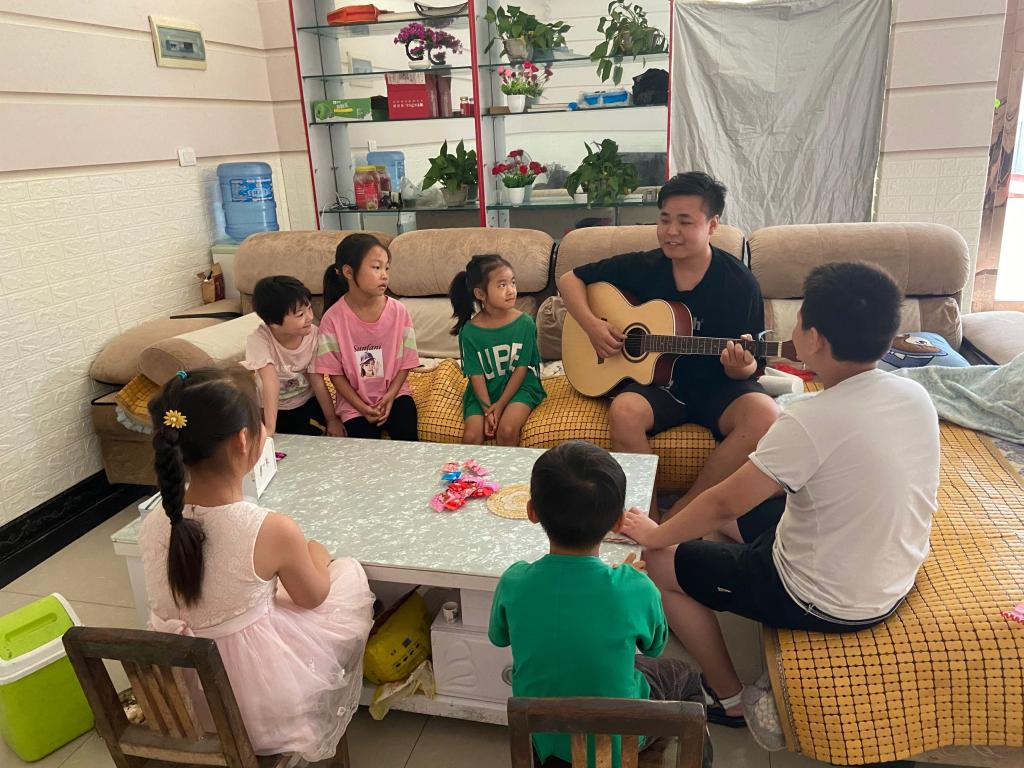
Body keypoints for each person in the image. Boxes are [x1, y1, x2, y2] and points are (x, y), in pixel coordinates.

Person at [621, 262, 940, 748]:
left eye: (800, 317)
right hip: (890, 576)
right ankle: (709, 582)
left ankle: (728, 699)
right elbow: (745, 499)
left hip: (824, 599)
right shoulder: (914, 395)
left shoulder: (811, 420)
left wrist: (655, 532)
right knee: (723, 520)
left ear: (815, 339)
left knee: (657, 560)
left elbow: (724, 500)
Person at [137, 368, 374, 762]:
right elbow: (314, 597)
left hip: (176, 698)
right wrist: (316, 553)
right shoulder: (270, 529)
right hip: (253, 706)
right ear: (243, 439)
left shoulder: (156, 521)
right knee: (345, 575)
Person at [557, 171, 778, 525]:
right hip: (660, 386)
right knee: (625, 410)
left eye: (685, 221)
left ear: (712, 225)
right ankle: (647, 518)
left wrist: (741, 366)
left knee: (765, 414)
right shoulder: (644, 266)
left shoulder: (739, 283)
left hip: (719, 386)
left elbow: (753, 367)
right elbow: (569, 279)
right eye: (664, 219)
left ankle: (682, 516)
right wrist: (593, 326)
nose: (671, 231)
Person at [489, 440, 712, 768]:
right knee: (687, 677)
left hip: (543, 735)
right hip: (620, 737)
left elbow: (498, 637)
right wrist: (633, 583)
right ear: (618, 522)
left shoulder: (514, 581)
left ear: (532, 512)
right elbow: (654, 648)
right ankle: (660, 756)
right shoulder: (636, 586)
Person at [315, 233, 420, 440]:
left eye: (387, 268)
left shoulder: (399, 311)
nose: (384, 275)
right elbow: (335, 374)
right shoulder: (332, 319)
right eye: (376, 267)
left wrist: (390, 396)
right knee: (363, 450)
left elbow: (406, 363)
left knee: (408, 437)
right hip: (353, 404)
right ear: (348, 272)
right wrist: (361, 407)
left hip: (395, 395)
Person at [449, 254, 546, 446]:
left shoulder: (525, 324)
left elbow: (521, 369)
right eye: (502, 285)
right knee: (471, 437)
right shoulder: (469, 332)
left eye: (513, 282)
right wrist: (488, 410)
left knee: (507, 430)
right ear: (480, 294)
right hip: (484, 391)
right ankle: (471, 469)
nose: (511, 290)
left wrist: (500, 406)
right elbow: (476, 376)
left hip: (520, 387)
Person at [242, 275, 342, 437]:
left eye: (309, 308)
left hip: (306, 402)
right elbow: (270, 381)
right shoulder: (259, 340)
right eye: (300, 315)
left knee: (312, 436)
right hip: (270, 407)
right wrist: (270, 428)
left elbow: (317, 380)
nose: (310, 317)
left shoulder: (314, 336)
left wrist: (332, 419)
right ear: (274, 323)